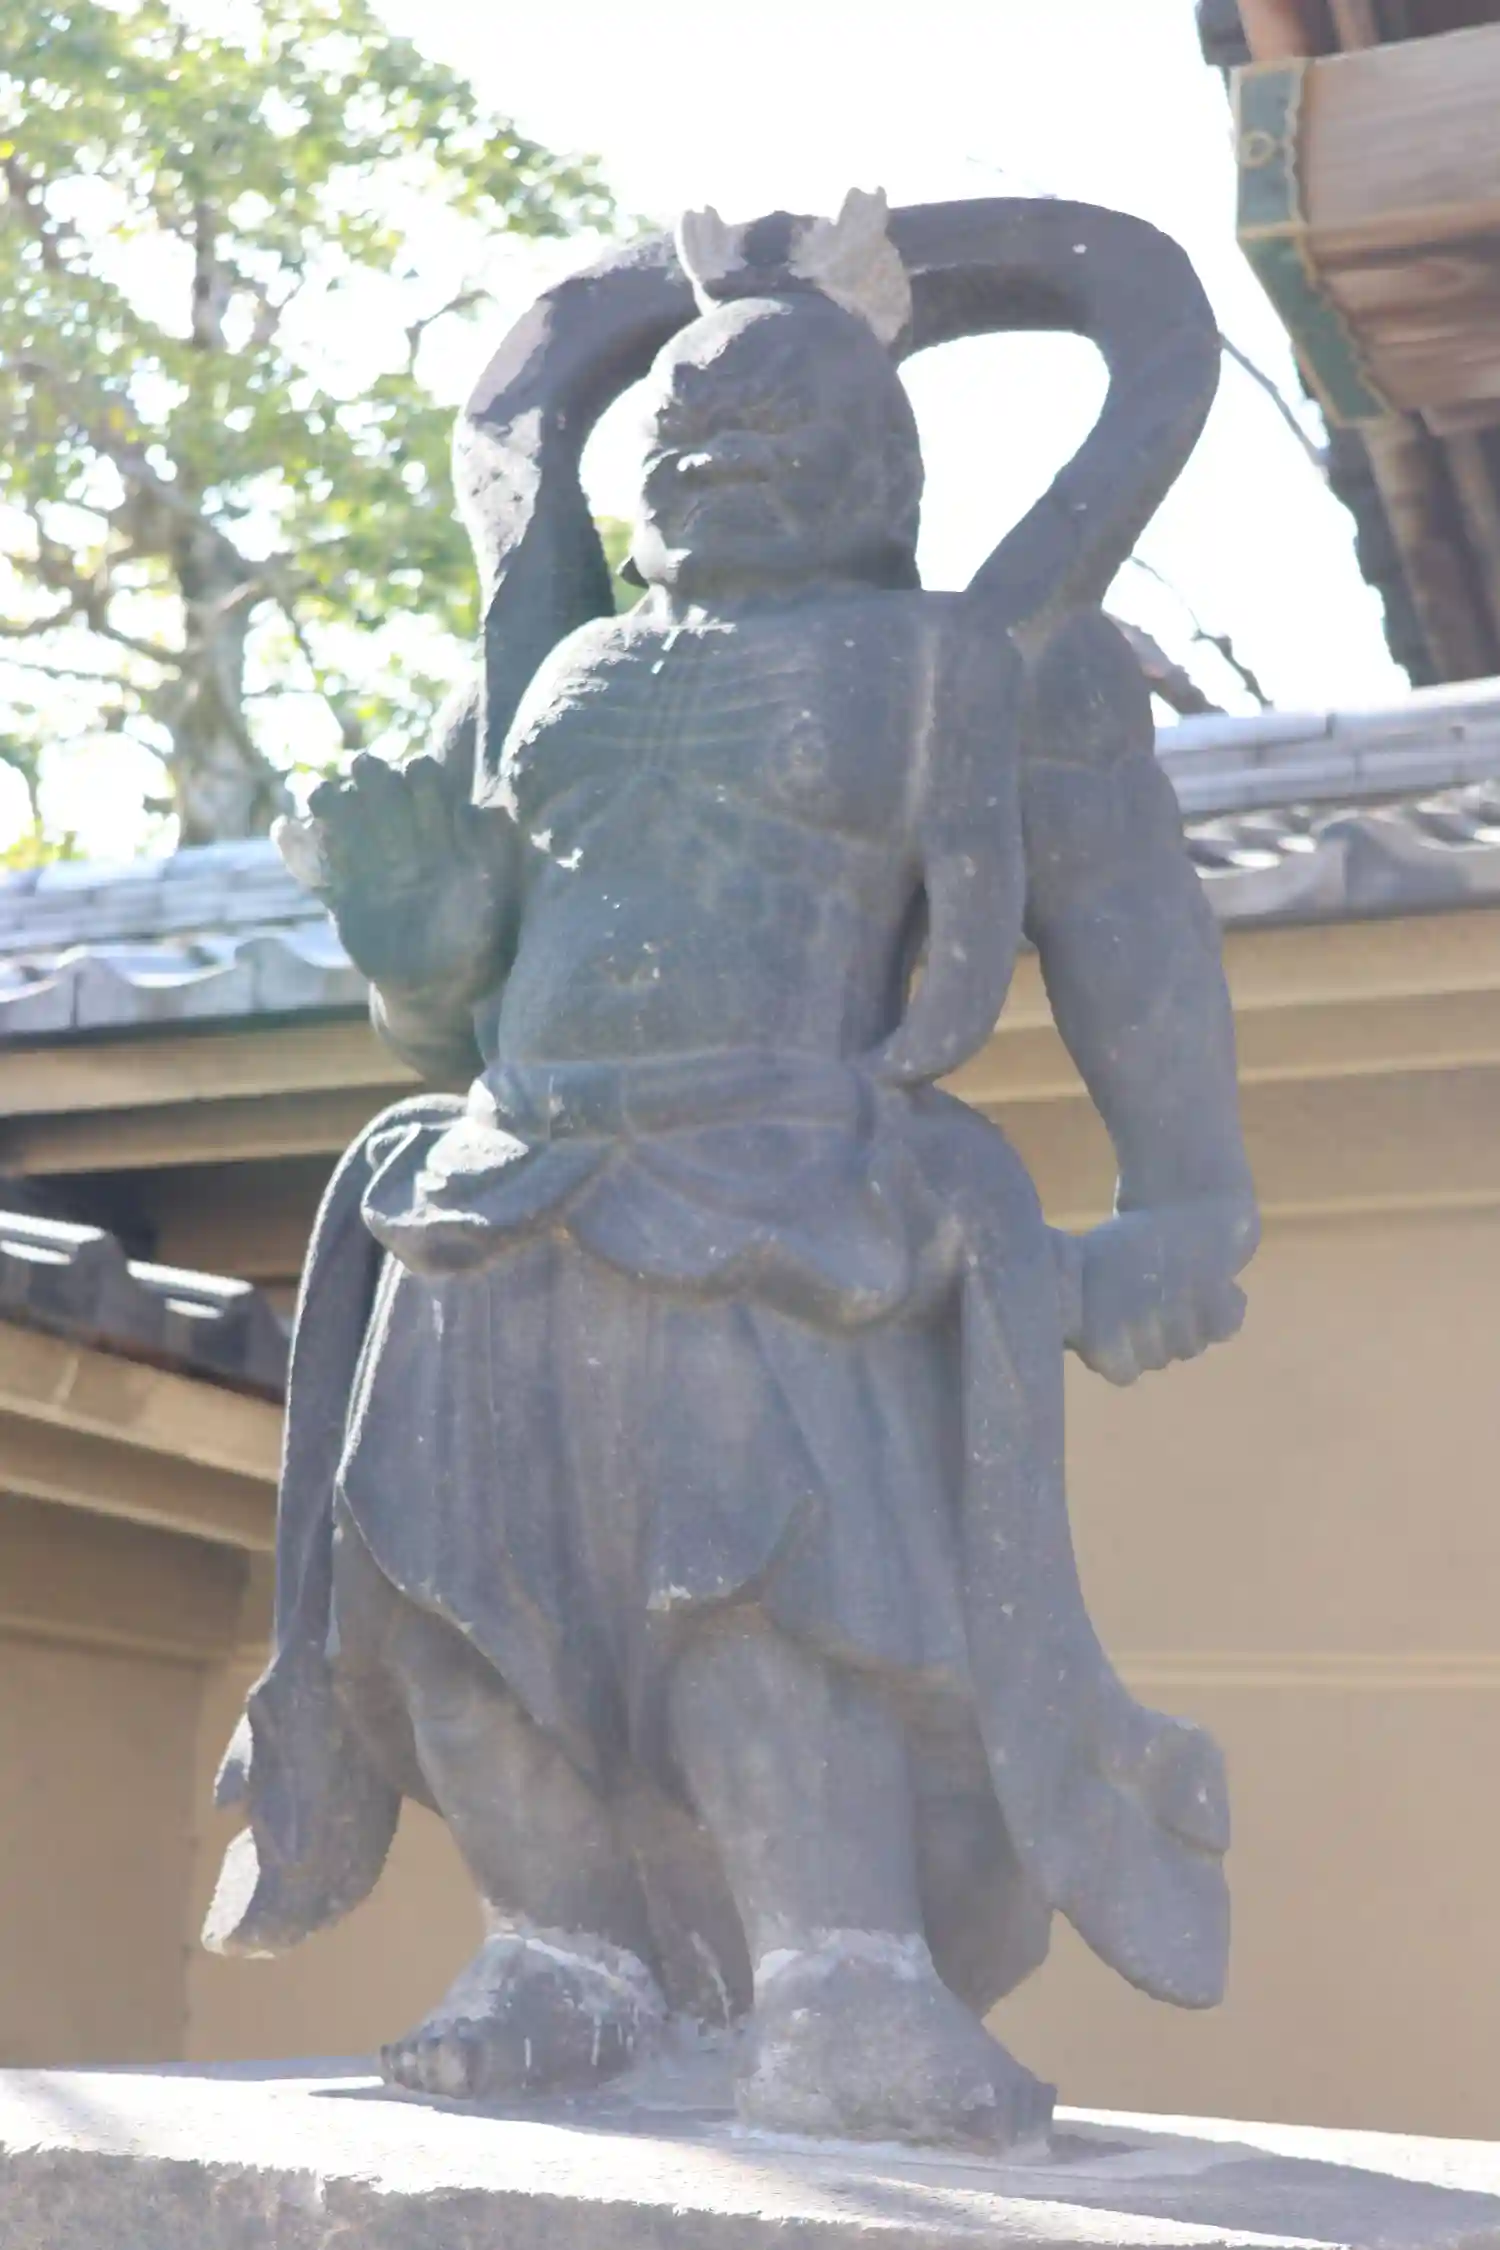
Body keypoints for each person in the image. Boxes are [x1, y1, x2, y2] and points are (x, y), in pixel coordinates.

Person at [207, 192, 1257, 2151]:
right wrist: (409, 929)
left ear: (890, 465)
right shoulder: (557, 673)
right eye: (688, 428)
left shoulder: (964, 663)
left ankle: (839, 1967)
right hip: (498, 1185)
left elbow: (1125, 921)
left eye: (788, 427)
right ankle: (558, 1945)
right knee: (448, 1591)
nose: (728, 458)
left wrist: (1188, 1197)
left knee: (764, 1586)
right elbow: (454, 1002)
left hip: (779, 1176)